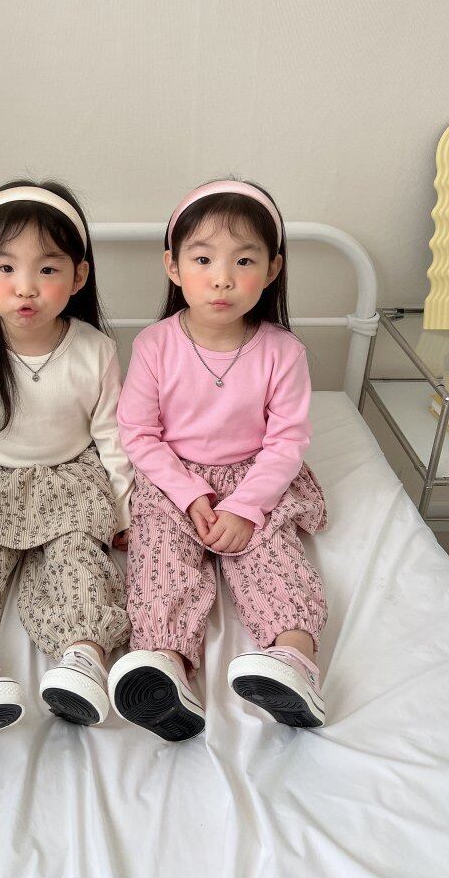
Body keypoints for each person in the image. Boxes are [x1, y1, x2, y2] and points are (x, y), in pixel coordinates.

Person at [0, 180, 133, 748]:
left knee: (81, 563)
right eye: (5, 268)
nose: (26, 287)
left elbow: (113, 435)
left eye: (48, 269)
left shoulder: (95, 350)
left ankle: (82, 659)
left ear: (79, 276)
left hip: (71, 477)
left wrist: (124, 510)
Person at [109, 179, 328, 741]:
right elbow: (139, 433)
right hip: (174, 478)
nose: (223, 278)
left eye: (244, 261)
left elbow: (286, 442)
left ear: (272, 269)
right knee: (161, 557)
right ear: (174, 266)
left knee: (273, 555)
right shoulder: (155, 345)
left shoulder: (283, 351)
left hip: (257, 476)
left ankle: (293, 660)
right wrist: (190, 496)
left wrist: (247, 507)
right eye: (203, 259)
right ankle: (166, 666)